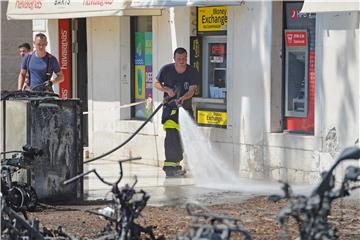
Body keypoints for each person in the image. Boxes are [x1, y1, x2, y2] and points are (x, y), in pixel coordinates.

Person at [153, 47, 200, 177]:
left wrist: (184, 97)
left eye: (184, 58)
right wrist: (167, 90)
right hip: (170, 110)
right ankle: (170, 168)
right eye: (179, 59)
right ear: (174, 58)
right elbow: (156, 83)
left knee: (183, 139)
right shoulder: (166, 69)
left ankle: (176, 165)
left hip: (185, 109)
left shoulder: (192, 71)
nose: (181, 61)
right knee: (172, 137)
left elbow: (192, 89)